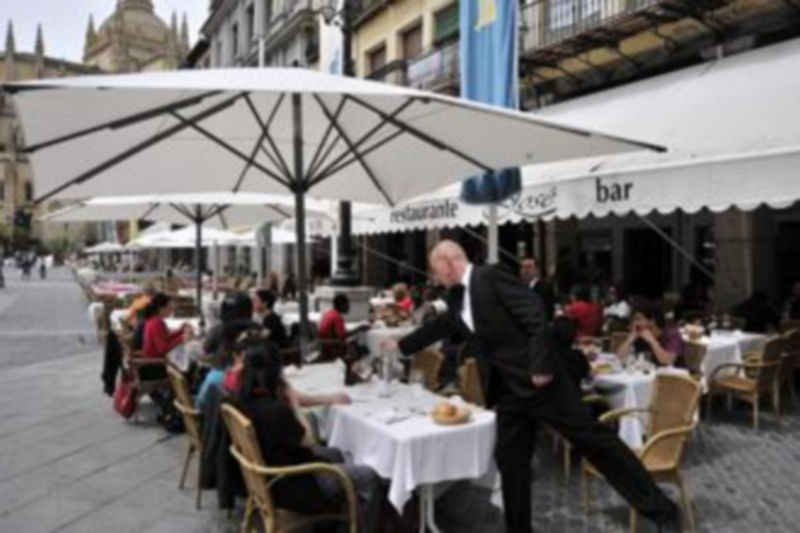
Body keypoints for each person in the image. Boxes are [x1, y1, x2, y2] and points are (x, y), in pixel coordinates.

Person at [383, 240, 680, 533]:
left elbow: (535, 312)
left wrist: (540, 365)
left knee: (596, 442)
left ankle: (663, 511)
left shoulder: (489, 275)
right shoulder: (460, 297)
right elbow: (444, 325)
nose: (435, 278)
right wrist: (401, 346)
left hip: (542, 382)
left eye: (436, 271)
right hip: (509, 393)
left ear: (449, 262)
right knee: (511, 463)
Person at [235, 339, 380, 532]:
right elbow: (309, 440)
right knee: (368, 475)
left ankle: (331, 519)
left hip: (268, 472)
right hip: (293, 483)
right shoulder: (275, 411)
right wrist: (293, 403)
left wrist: (327, 398)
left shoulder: (245, 397)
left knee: (336, 453)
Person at [617, 302, 684, 367]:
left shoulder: (672, 334)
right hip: (648, 374)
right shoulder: (639, 334)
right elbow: (620, 356)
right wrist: (630, 340)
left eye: (638, 319)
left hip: (672, 376)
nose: (634, 323)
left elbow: (667, 360)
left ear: (652, 320)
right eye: (633, 320)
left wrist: (652, 341)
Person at [520, 255, 555, 320]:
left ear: (536, 269)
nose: (525, 270)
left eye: (529, 267)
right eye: (523, 267)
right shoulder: (518, 287)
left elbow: (548, 310)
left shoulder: (545, 287)